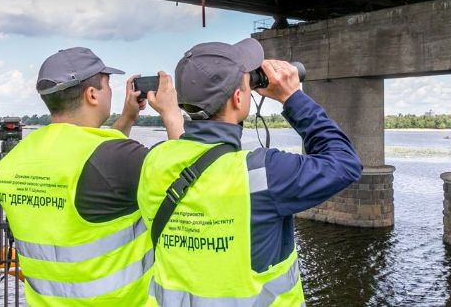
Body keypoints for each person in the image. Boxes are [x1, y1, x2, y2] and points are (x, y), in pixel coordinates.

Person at [137, 38, 363, 305]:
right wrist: (292, 97)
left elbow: (188, 153)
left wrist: (170, 113)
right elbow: (345, 163)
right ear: (237, 97)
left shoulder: (153, 161)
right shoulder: (264, 173)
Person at [0, 47, 184, 306]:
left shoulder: (10, 164)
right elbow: (190, 180)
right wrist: (172, 114)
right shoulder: (115, 159)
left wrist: (127, 118)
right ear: (92, 94)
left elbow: (93, 158)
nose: (112, 92)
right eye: (107, 85)